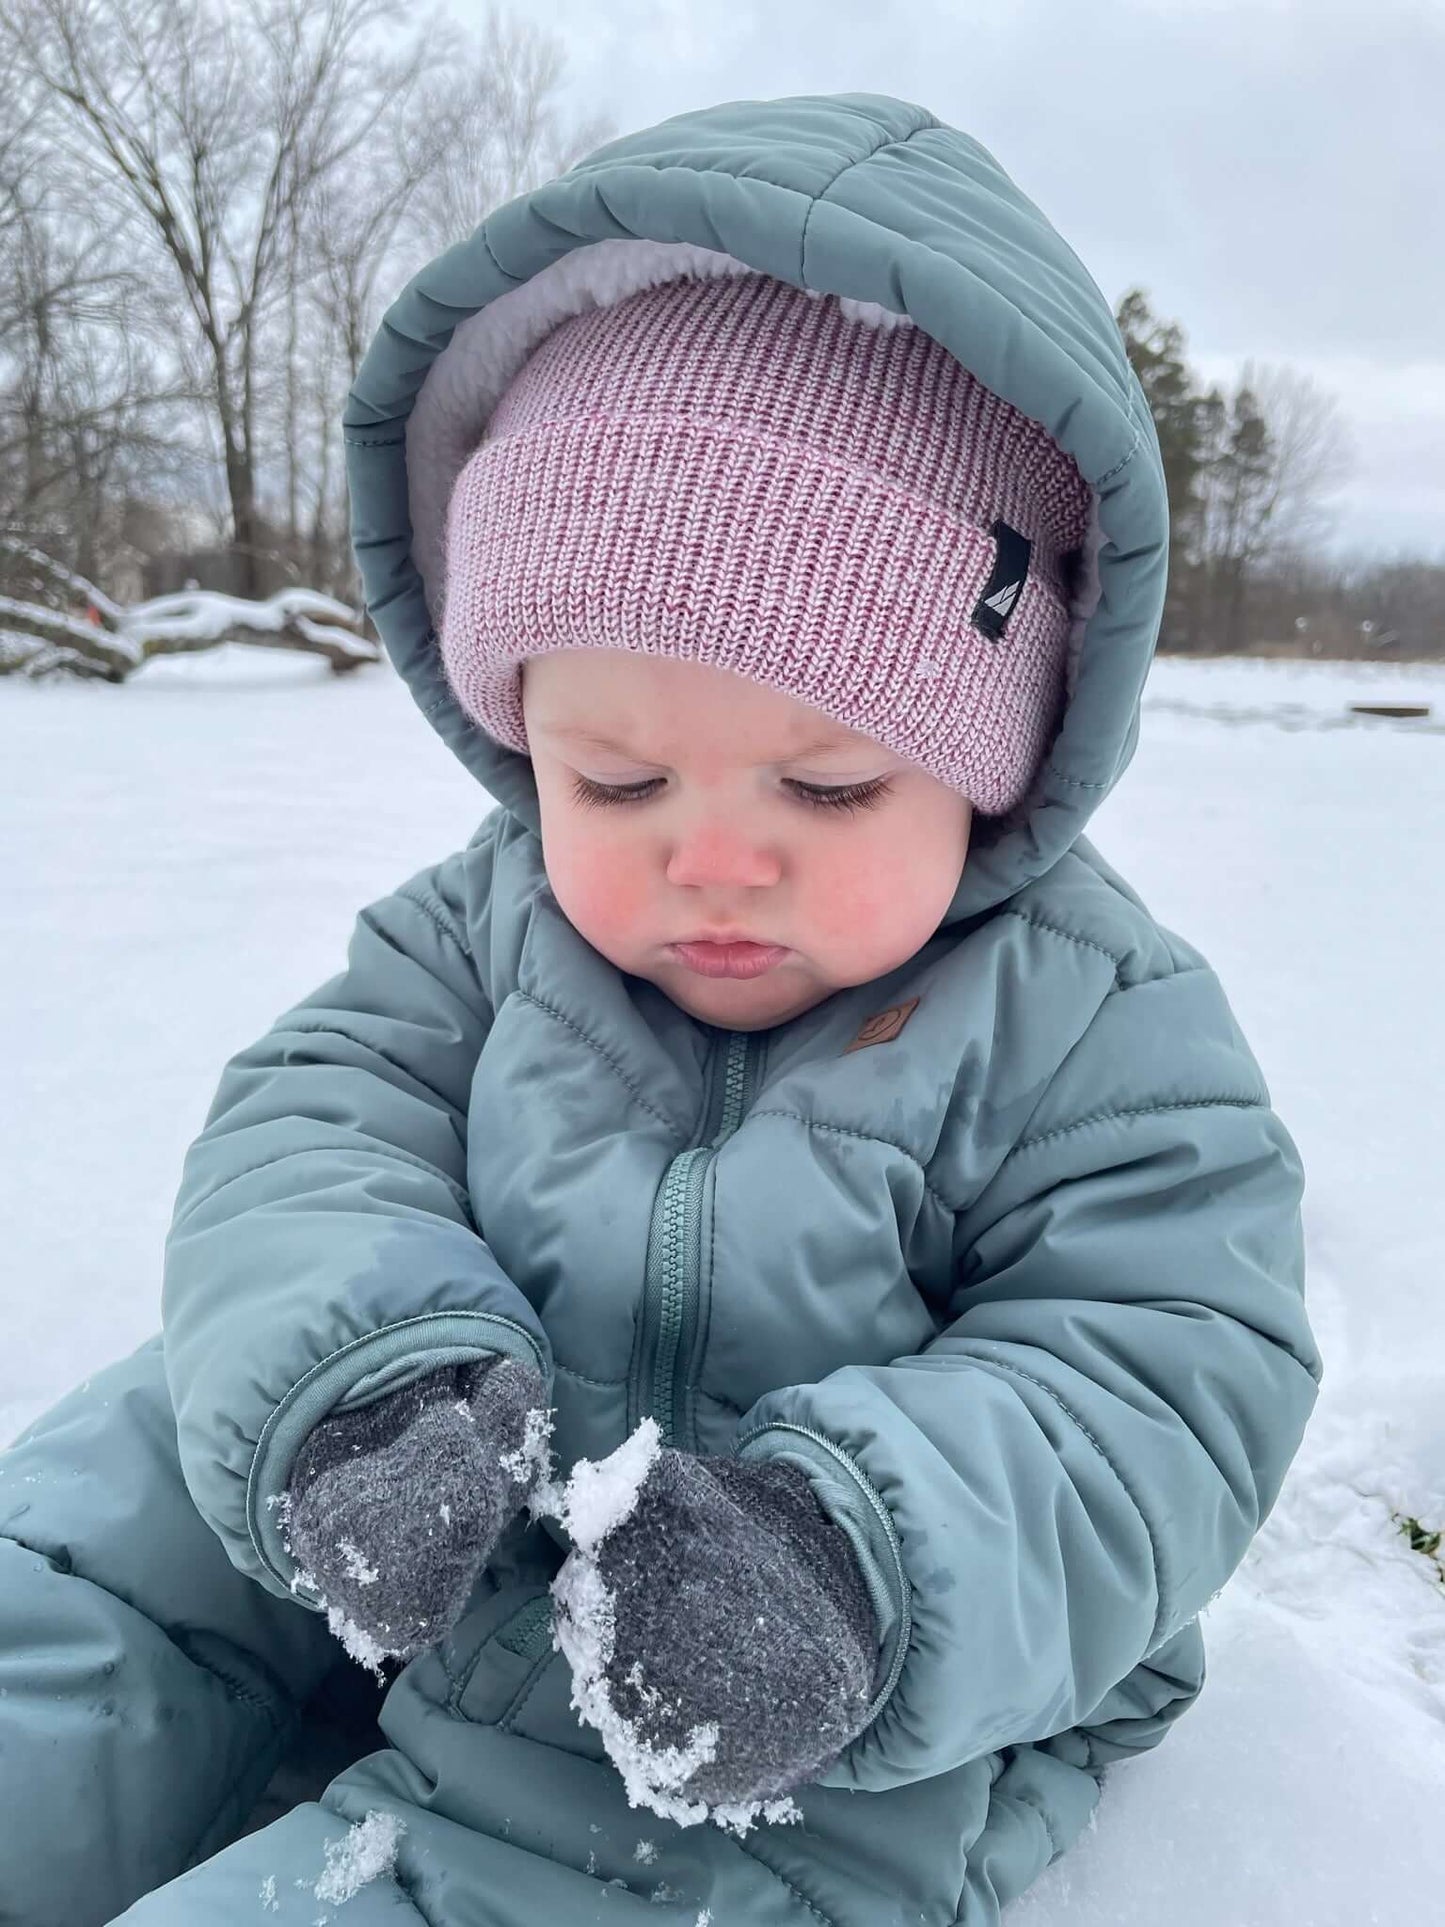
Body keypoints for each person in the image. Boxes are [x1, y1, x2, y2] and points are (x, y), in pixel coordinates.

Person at [0, 91, 1321, 1924]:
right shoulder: (483, 929)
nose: (714, 864)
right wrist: (356, 1387)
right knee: (126, 1508)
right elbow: (307, 1132)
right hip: (439, 1474)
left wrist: (853, 1559)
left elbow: (1157, 1385)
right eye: (617, 784)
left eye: (831, 790)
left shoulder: (1098, 1034)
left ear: (1005, 757)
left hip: (785, 1672)